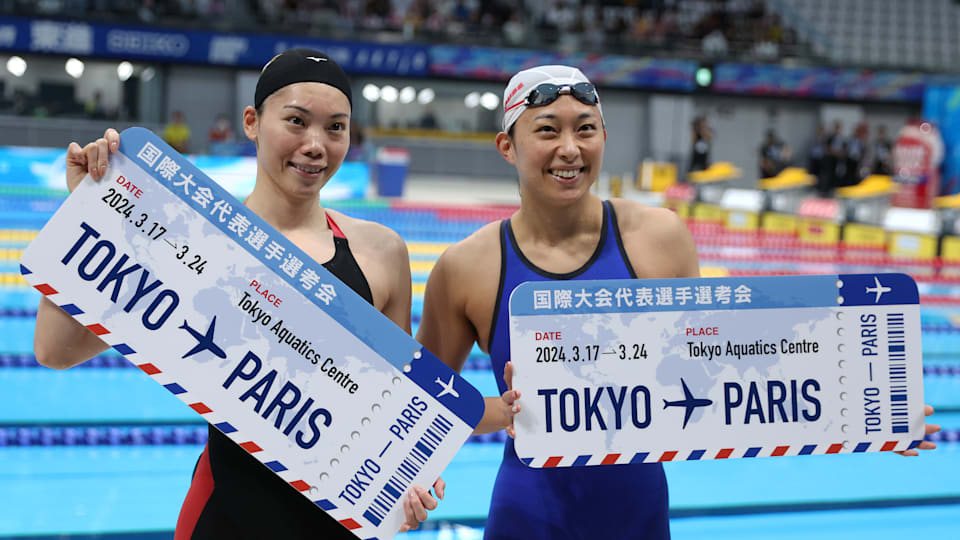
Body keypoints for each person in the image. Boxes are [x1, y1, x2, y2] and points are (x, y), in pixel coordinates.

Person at [415, 65, 941, 540]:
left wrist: (876, 410)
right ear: (507, 145)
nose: (570, 148)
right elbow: (418, 407)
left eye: (586, 128)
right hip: (530, 514)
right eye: (547, 129)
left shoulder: (658, 238)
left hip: (638, 510)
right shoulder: (468, 267)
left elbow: (720, 369)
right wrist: (491, 413)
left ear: (604, 137)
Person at [33, 48, 440, 538]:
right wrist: (87, 213)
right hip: (226, 516)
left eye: (335, 127)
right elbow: (55, 350)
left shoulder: (381, 253)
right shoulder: (191, 240)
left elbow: (397, 407)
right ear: (252, 122)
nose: (316, 144)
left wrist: (411, 482)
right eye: (296, 121)